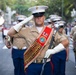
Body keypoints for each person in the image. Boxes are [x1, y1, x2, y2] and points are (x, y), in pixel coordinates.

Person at [7, 5, 69, 75]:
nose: (39, 18)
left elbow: (65, 42)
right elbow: (10, 33)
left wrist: (54, 50)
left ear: (44, 17)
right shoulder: (26, 31)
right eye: (36, 16)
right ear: (33, 18)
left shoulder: (51, 31)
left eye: (41, 16)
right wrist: (23, 22)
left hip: (46, 64)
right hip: (31, 64)